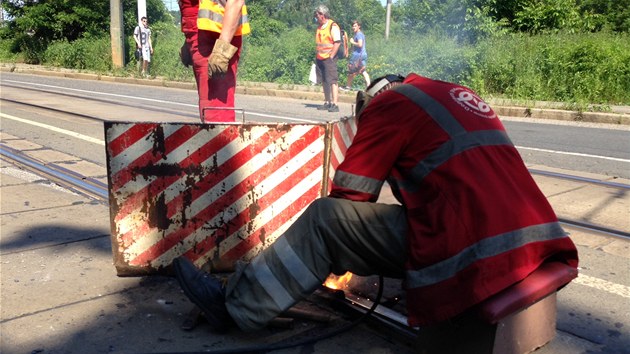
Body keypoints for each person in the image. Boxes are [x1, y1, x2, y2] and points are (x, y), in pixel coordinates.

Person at [173, 73, 579, 332]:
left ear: (370, 103)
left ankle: (235, 307)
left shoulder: (390, 105)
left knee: (325, 220)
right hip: (537, 240)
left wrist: (336, 253)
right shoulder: (456, 95)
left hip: (477, 252)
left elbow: (351, 194)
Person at [178, 0, 250, 122]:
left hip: (216, 36)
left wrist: (223, 46)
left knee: (216, 111)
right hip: (199, 36)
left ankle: (221, 140)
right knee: (207, 108)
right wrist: (189, 40)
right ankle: (216, 138)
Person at [314, 5, 341, 113]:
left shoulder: (332, 26)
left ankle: (335, 104)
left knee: (333, 80)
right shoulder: (320, 27)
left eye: (317, 15)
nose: (316, 17)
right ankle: (327, 102)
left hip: (329, 58)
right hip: (320, 58)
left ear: (323, 15)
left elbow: (337, 42)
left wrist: (331, 57)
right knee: (324, 81)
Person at [344, 20, 370, 90]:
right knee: (363, 71)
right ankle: (369, 86)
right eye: (353, 26)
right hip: (363, 55)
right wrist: (348, 50)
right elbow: (356, 46)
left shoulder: (358, 34)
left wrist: (352, 42)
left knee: (351, 71)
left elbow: (360, 44)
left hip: (357, 56)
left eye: (355, 26)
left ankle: (348, 87)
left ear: (359, 26)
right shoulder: (359, 34)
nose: (353, 27)